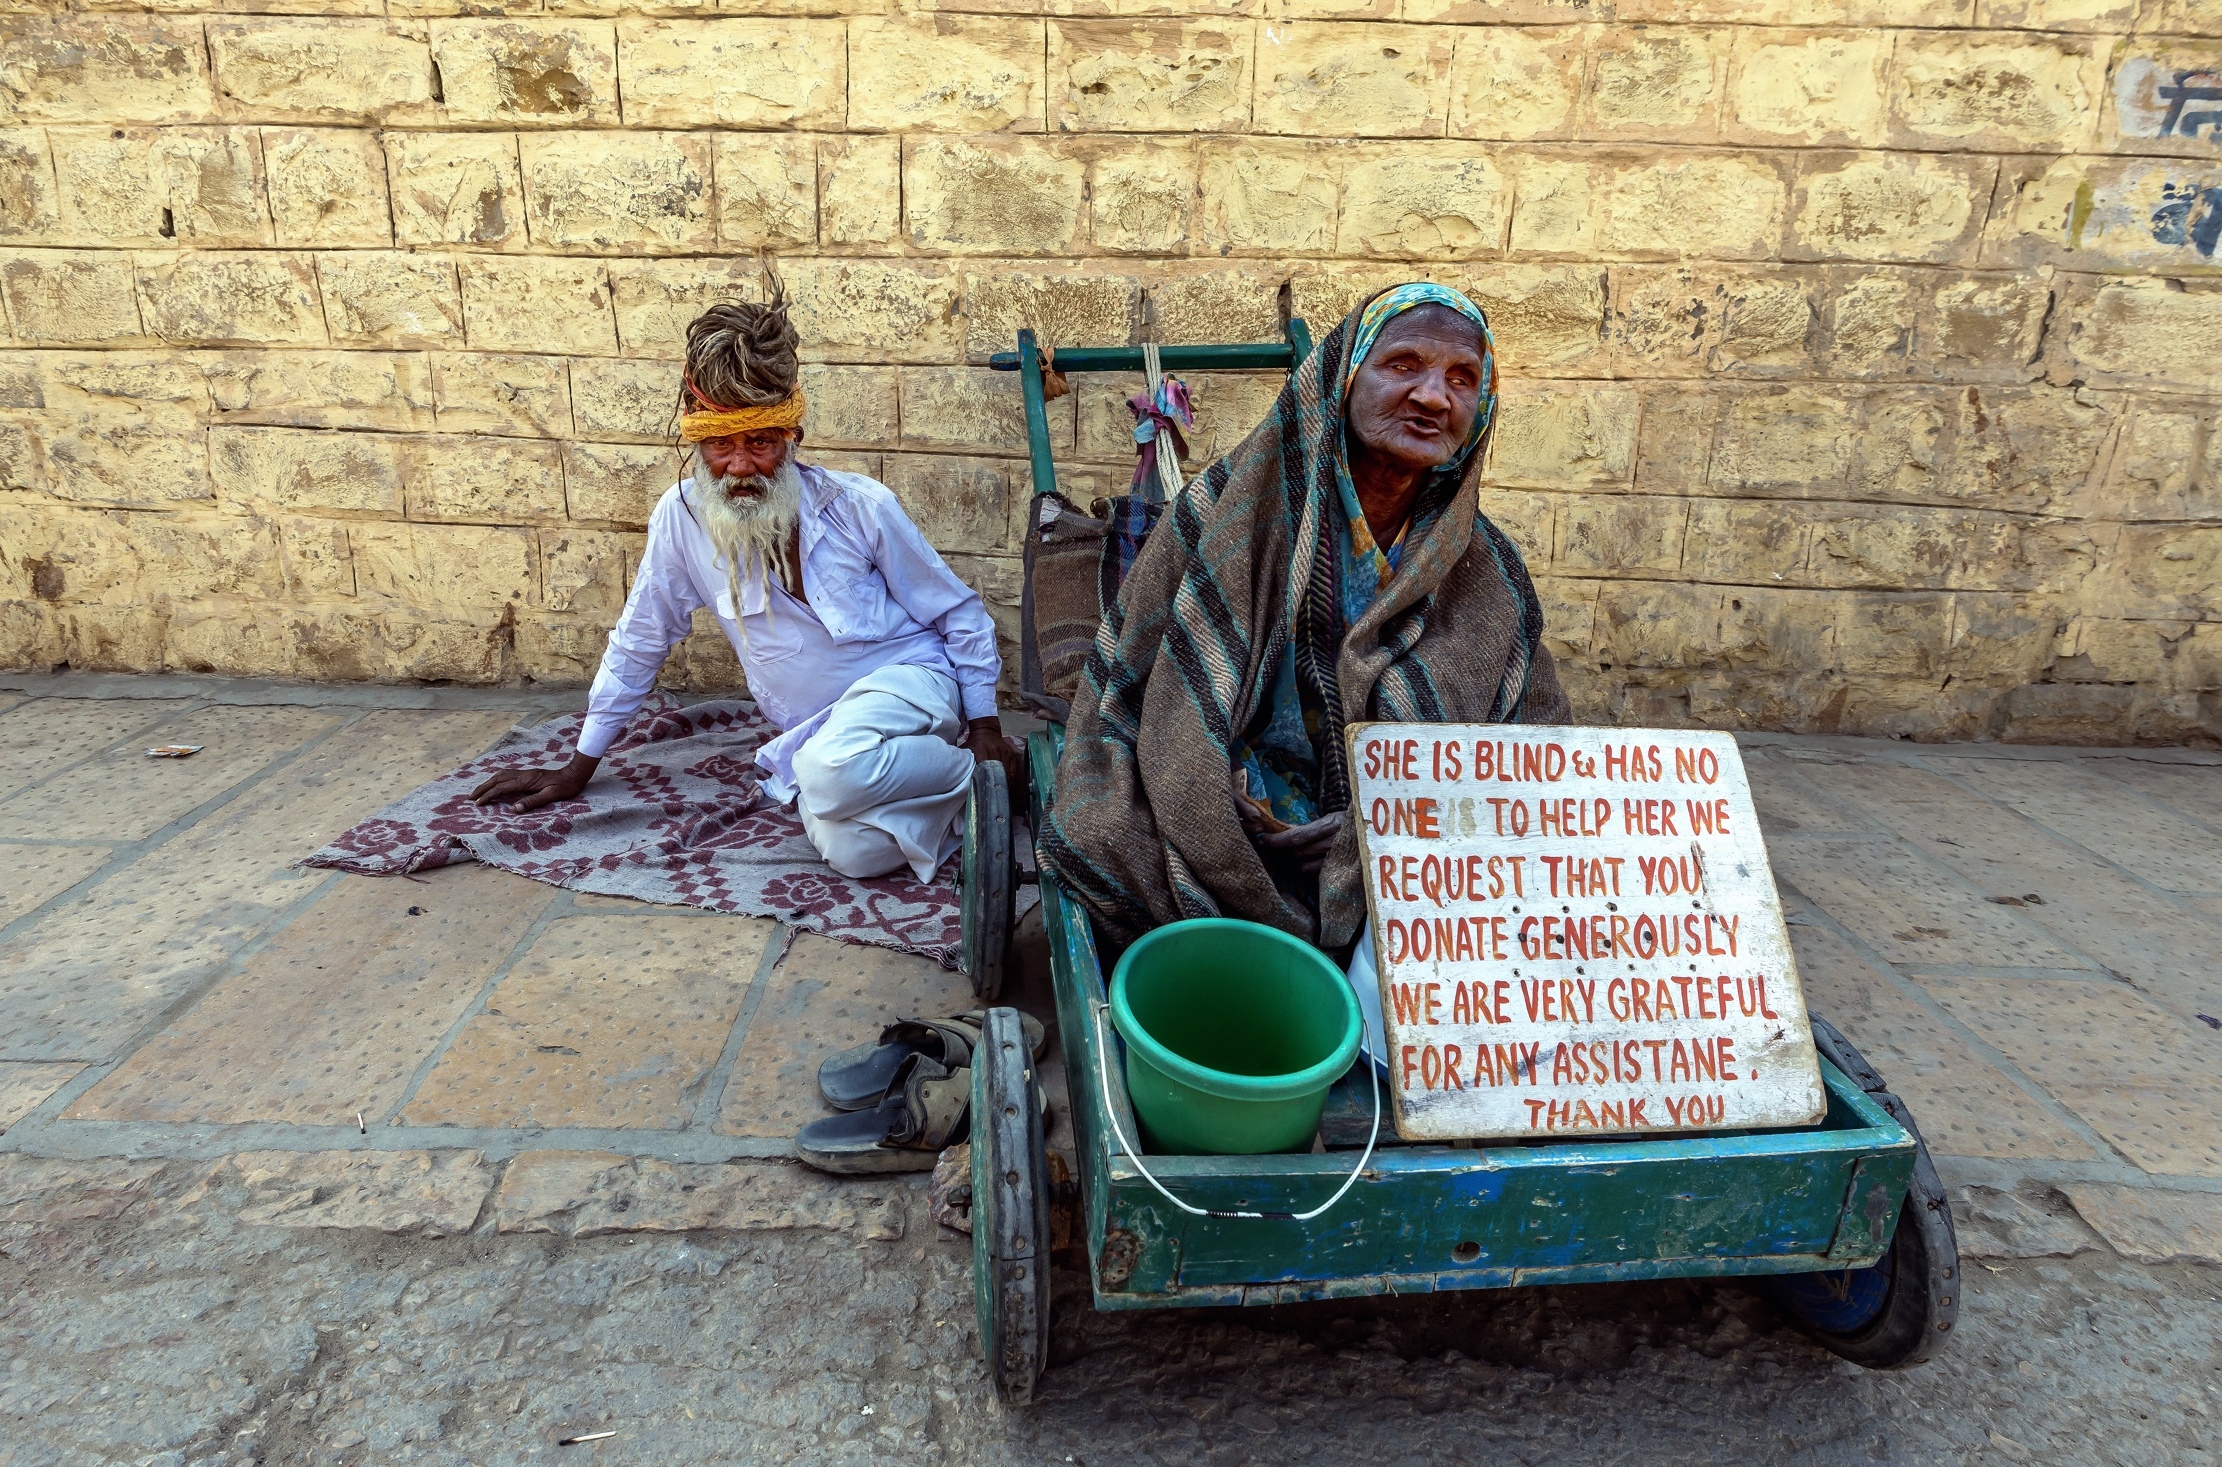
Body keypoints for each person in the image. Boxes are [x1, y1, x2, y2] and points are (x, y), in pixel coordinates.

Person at [1039, 283, 1569, 954]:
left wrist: (1372, 830)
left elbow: (1535, 756)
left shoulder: (1490, 573)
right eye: (1403, 364)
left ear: (1483, 405)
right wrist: (1227, 806)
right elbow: (1150, 686)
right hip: (1224, 793)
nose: (1434, 396)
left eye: (1462, 377)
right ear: (1344, 377)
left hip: (1407, 839)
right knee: (1099, 829)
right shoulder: (1226, 507)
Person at [471, 283, 1025, 883]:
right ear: (700, 447)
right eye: (720, 446)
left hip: (911, 686)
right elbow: (640, 637)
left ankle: (994, 768)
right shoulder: (680, 519)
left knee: (829, 774)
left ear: (792, 439)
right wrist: (578, 766)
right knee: (856, 854)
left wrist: (988, 725)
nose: (740, 467)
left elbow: (958, 613)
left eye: (759, 443)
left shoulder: (861, 505)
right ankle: (952, 793)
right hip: (818, 731)